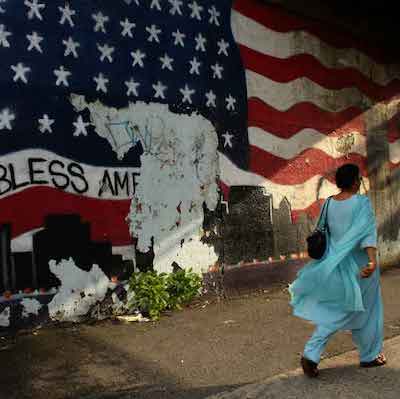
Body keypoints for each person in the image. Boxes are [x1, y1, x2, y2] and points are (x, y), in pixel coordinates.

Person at [289, 163, 386, 378]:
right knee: (360, 311)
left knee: (346, 308)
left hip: (334, 263)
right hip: (360, 266)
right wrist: (371, 262)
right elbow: (367, 234)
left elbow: (322, 230)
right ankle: (320, 352)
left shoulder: (329, 203)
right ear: (353, 182)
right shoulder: (361, 203)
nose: (360, 182)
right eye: (358, 179)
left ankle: (364, 353)